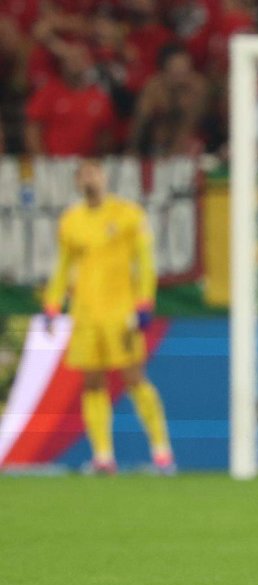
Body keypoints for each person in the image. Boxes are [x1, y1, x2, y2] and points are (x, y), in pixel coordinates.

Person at [43, 157, 176, 475]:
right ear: (77, 182)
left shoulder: (128, 215)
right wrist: (51, 304)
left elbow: (145, 262)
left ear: (104, 177)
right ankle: (103, 457)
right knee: (91, 383)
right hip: (86, 313)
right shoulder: (71, 220)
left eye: (94, 173)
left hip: (121, 312)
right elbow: (63, 267)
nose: (90, 179)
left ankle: (162, 453)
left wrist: (144, 302)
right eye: (83, 175)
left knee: (133, 378)